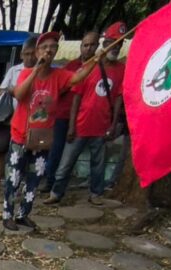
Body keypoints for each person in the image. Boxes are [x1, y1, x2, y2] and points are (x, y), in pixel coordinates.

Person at [3, 32, 98, 230]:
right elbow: (20, 94)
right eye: (44, 47)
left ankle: (23, 214)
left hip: (43, 139)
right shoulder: (26, 73)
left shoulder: (60, 75)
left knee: (34, 179)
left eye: (52, 47)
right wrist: (35, 70)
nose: (48, 50)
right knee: (14, 178)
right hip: (20, 136)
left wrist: (96, 58)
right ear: (37, 51)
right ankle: (7, 214)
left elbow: (78, 77)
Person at [44, 23, 126, 205]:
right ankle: (56, 192)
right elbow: (76, 98)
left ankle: (96, 193)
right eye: (113, 42)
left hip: (102, 125)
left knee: (98, 163)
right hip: (81, 124)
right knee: (66, 161)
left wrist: (113, 124)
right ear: (105, 44)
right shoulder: (90, 66)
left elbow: (119, 97)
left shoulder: (121, 70)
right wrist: (72, 125)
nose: (116, 47)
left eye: (119, 44)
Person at [42, 29, 100, 191]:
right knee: (56, 149)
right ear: (81, 46)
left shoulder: (98, 67)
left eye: (92, 45)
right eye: (85, 45)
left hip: (85, 118)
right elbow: (58, 90)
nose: (88, 48)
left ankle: (62, 186)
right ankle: (49, 182)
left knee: (73, 155)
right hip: (63, 115)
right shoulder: (71, 67)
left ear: (97, 46)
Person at [0, 36, 37, 193]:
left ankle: (19, 184)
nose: (29, 57)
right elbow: (3, 90)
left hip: (29, 121)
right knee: (0, 150)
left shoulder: (40, 73)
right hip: (8, 119)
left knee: (25, 153)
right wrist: (14, 90)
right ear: (21, 54)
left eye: (32, 53)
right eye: (26, 54)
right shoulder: (14, 70)